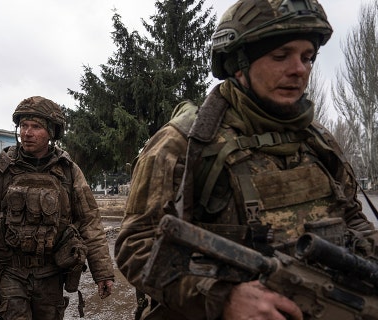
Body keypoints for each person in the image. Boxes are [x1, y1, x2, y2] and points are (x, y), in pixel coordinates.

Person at [115, 0, 378, 319]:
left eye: (307, 57)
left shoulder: (318, 139)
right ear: (238, 63)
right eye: (280, 56)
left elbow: (351, 215)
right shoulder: (183, 143)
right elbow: (136, 247)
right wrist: (222, 298)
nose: (299, 69)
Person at [0, 96, 115, 319]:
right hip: (9, 271)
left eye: (36, 127)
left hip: (51, 273)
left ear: (51, 132)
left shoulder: (68, 172)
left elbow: (90, 223)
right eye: (23, 126)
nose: (27, 133)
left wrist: (103, 273)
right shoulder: (1, 170)